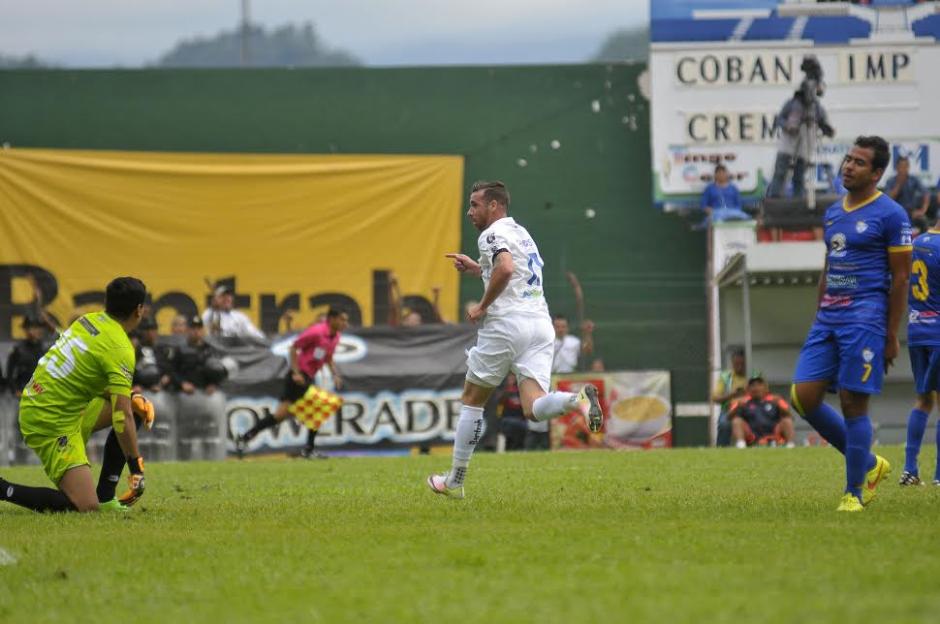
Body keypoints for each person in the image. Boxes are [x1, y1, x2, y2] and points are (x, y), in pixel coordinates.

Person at [426, 180, 603, 499]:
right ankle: (576, 400)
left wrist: (482, 305)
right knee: (533, 407)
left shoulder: (490, 234)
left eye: (475, 205)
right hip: (539, 324)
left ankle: (454, 481)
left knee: (472, 399)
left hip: (507, 325)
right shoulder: (522, 233)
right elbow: (514, 268)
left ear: (494, 205)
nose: (470, 212)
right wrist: (477, 268)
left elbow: (505, 268)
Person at [790, 136, 911, 512]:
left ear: (876, 173)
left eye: (859, 162)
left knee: (851, 403)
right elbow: (829, 267)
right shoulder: (832, 212)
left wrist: (891, 334)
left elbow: (902, 278)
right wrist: (818, 314)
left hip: (866, 317)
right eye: (848, 159)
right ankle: (872, 464)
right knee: (802, 396)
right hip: (829, 316)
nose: (848, 166)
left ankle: (853, 493)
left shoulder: (891, 215)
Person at [0, 277, 154, 513]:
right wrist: (136, 467)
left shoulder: (87, 320)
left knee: (134, 406)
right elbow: (122, 418)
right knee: (85, 506)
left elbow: (81, 375)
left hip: (54, 404)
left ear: (106, 302)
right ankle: (3, 488)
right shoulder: (121, 348)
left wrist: (130, 396)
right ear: (139, 310)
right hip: (49, 417)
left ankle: (106, 497)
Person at [236, 308, 348, 458]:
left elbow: (328, 357)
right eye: (342, 319)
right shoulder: (316, 332)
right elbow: (294, 347)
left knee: (280, 415)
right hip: (298, 377)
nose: (345, 323)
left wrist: (335, 374)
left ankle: (244, 438)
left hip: (308, 377)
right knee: (318, 405)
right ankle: (309, 450)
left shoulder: (335, 337)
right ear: (332, 319)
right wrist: (296, 372)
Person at [899, 220, 940, 486]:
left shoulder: (916, 243)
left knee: (923, 401)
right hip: (938, 332)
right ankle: (939, 476)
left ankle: (910, 470)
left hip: (916, 331)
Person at [767, 69, 834, 199]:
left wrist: (827, 129)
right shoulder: (792, 104)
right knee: (781, 171)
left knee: (800, 173)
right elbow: (779, 119)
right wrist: (787, 126)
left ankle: (798, 199)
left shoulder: (816, 107)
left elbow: (822, 122)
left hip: (805, 143)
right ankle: (774, 198)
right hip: (788, 142)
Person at [727, 375, 795, 449]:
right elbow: (729, 417)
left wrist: (780, 406)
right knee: (737, 421)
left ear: (766, 388)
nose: (756, 388)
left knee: (787, 420)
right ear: (748, 389)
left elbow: (790, 417)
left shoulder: (776, 399)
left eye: (759, 385)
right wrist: (737, 407)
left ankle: (790, 445)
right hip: (752, 436)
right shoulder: (742, 401)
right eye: (752, 385)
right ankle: (741, 445)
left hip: (774, 434)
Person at [172, 315, 220, 395]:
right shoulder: (180, 349)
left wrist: (213, 384)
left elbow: (218, 371)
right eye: (193, 328)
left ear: (203, 330)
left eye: (199, 328)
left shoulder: (210, 350)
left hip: (205, 394)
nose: (196, 331)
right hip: (185, 394)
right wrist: (182, 383)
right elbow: (173, 371)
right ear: (188, 330)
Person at [712, 347, 748, 447]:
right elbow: (715, 398)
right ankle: (721, 449)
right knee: (724, 424)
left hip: (750, 408)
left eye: (742, 364)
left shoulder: (753, 375)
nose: (739, 367)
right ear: (732, 363)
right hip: (729, 409)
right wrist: (732, 395)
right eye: (736, 364)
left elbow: (765, 394)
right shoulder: (725, 376)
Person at [5, 316, 49, 397]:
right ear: (26, 330)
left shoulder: (45, 349)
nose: (38, 331)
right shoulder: (18, 350)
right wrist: (15, 390)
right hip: (23, 392)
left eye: (40, 328)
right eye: (34, 328)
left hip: (42, 393)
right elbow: (10, 373)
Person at [884, 156, 929, 234]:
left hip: (911, 212)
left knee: (923, 220)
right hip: (895, 213)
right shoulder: (891, 181)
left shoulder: (913, 179)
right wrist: (899, 184)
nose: (904, 169)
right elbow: (888, 200)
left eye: (906, 167)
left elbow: (926, 193)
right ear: (897, 167)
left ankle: (923, 243)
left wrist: (923, 210)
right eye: (901, 167)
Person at [132, 316, 175, 393]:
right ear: (142, 332)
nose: (150, 333)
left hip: (160, 389)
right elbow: (130, 371)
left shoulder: (163, 349)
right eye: (147, 330)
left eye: (153, 329)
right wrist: (135, 385)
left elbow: (169, 372)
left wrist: (161, 384)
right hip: (140, 389)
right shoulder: (136, 349)